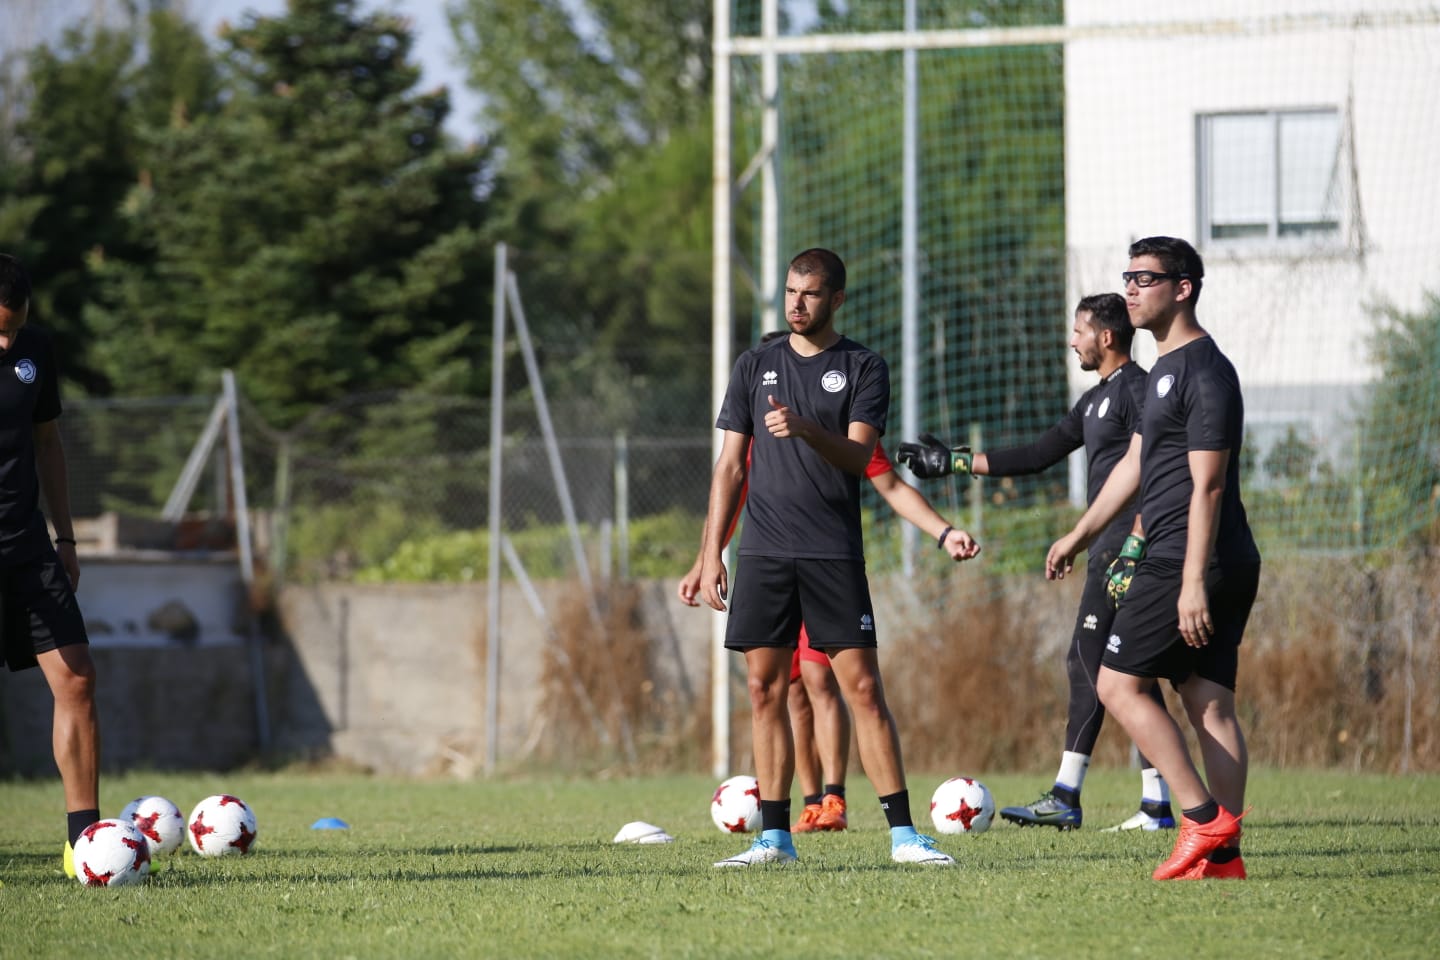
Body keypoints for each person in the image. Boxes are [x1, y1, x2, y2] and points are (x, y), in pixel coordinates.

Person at [697, 247, 958, 867]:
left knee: (861, 688)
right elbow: (730, 466)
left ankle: (904, 836)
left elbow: (860, 457)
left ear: (836, 299)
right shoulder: (754, 365)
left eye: (810, 293)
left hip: (831, 552)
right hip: (763, 551)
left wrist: (807, 428)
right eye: (791, 291)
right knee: (764, 689)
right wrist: (711, 554)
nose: (797, 303)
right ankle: (774, 838)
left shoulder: (863, 366)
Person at [896, 293, 1176, 832]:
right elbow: (1037, 454)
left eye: (1079, 331)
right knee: (1129, 670)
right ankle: (1157, 804)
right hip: (1105, 546)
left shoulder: (1138, 390)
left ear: (1106, 337)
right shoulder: (1095, 400)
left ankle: (1067, 795)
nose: (1072, 341)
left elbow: (1153, 466)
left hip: (1126, 548)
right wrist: (955, 462)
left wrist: (1136, 542)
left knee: (1086, 661)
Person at [680, 358, 980, 834]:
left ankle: (840, 799)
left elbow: (889, 484)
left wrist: (943, 532)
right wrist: (707, 555)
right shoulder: (756, 432)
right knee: (785, 690)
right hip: (770, 566)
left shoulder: (842, 427)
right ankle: (807, 804)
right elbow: (732, 487)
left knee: (830, 682)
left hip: (827, 564)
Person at [1046, 236, 1260, 881]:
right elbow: (1136, 464)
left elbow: (1209, 486)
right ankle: (1223, 858)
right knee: (1206, 699)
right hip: (1192, 555)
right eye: (1129, 277)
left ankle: (1202, 820)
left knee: (1117, 684)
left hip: (1189, 558)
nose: (1132, 289)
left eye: (1146, 278)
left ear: (1183, 288)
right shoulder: (1164, 368)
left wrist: (1192, 580)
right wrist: (1080, 534)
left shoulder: (1205, 371)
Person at [0, 253, 100, 878]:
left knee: (78, 678)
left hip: (29, 549)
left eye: (14, 327)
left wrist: (66, 538)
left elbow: (48, 443)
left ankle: (86, 844)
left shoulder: (36, 349)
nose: (6, 342)